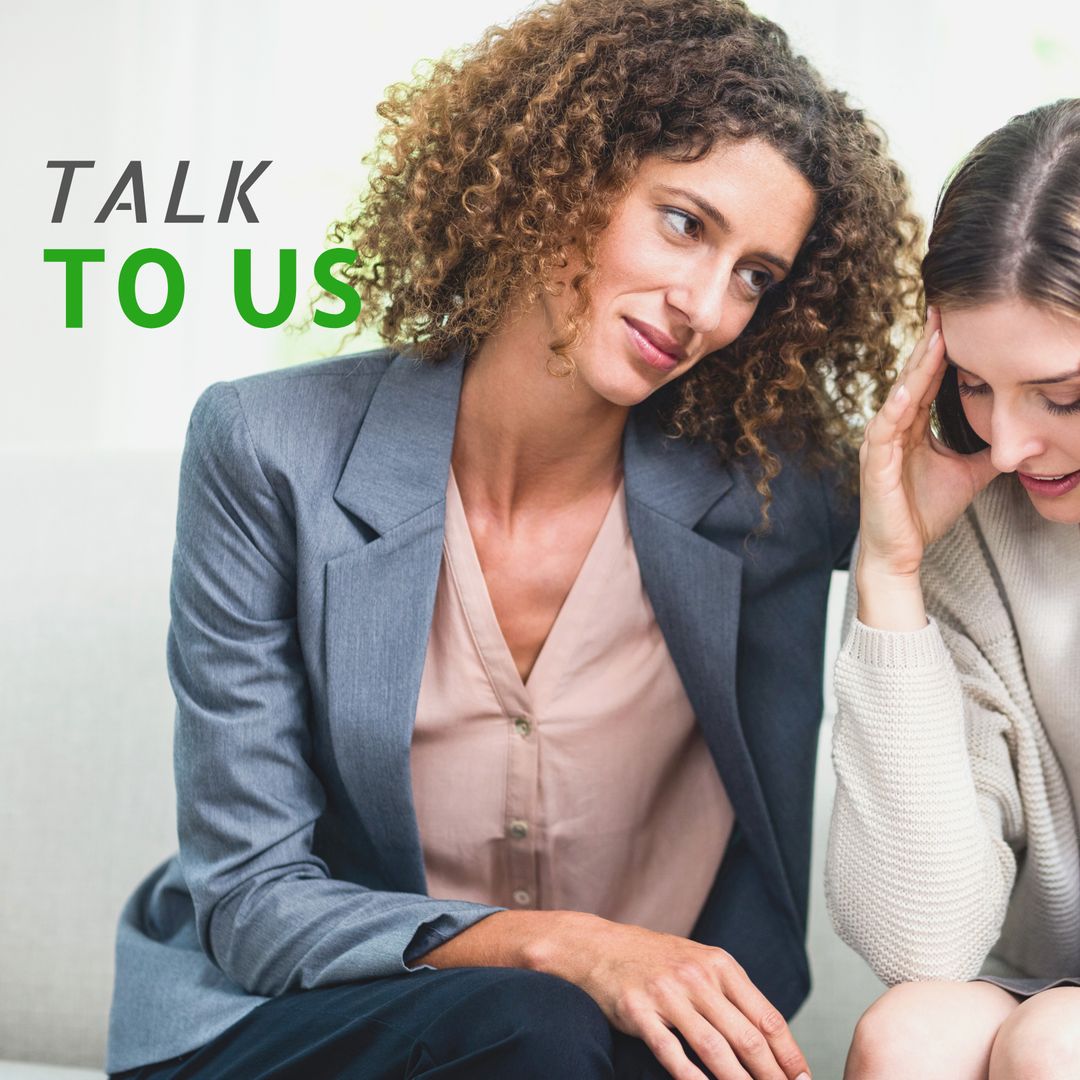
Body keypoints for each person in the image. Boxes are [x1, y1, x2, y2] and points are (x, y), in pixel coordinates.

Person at [105, 1, 920, 1077]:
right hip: (312, 1018)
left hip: (614, 1052)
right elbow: (255, 900)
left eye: (755, 277)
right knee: (537, 1019)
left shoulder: (775, 489)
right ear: (569, 176)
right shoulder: (270, 449)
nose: (705, 307)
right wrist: (566, 947)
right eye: (684, 222)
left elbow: (994, 481)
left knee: (562, 1040)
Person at [826, 98, 1080, 1080]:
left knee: (1058, 1044)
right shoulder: (972, 523)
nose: (1010, 446)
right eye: (975, 384)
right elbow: (922, 944)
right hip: (1053, 1001)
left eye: (1061, 397)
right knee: (908, 1035)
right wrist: (891, 575)